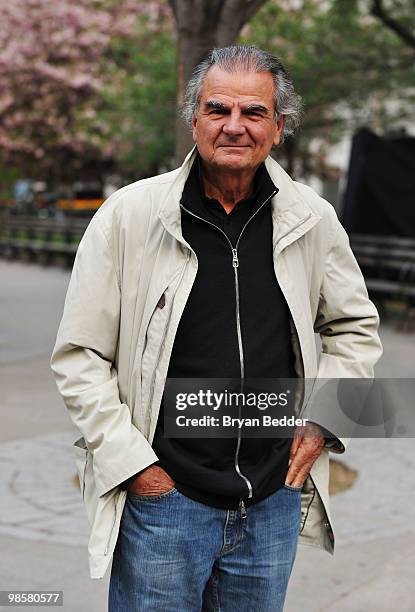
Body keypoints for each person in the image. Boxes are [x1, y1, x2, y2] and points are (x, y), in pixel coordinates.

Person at [50, 45, 382, 611]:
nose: (235, 126)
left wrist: (326, 418)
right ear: (194, 120)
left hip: (273, 500)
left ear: (278, 127)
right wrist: (137, 468)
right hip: (163, 501)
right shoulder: (129, 216)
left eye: (254, 113)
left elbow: (354, 328)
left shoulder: (312, 218)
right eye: (217, 109)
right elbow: (80, 355)